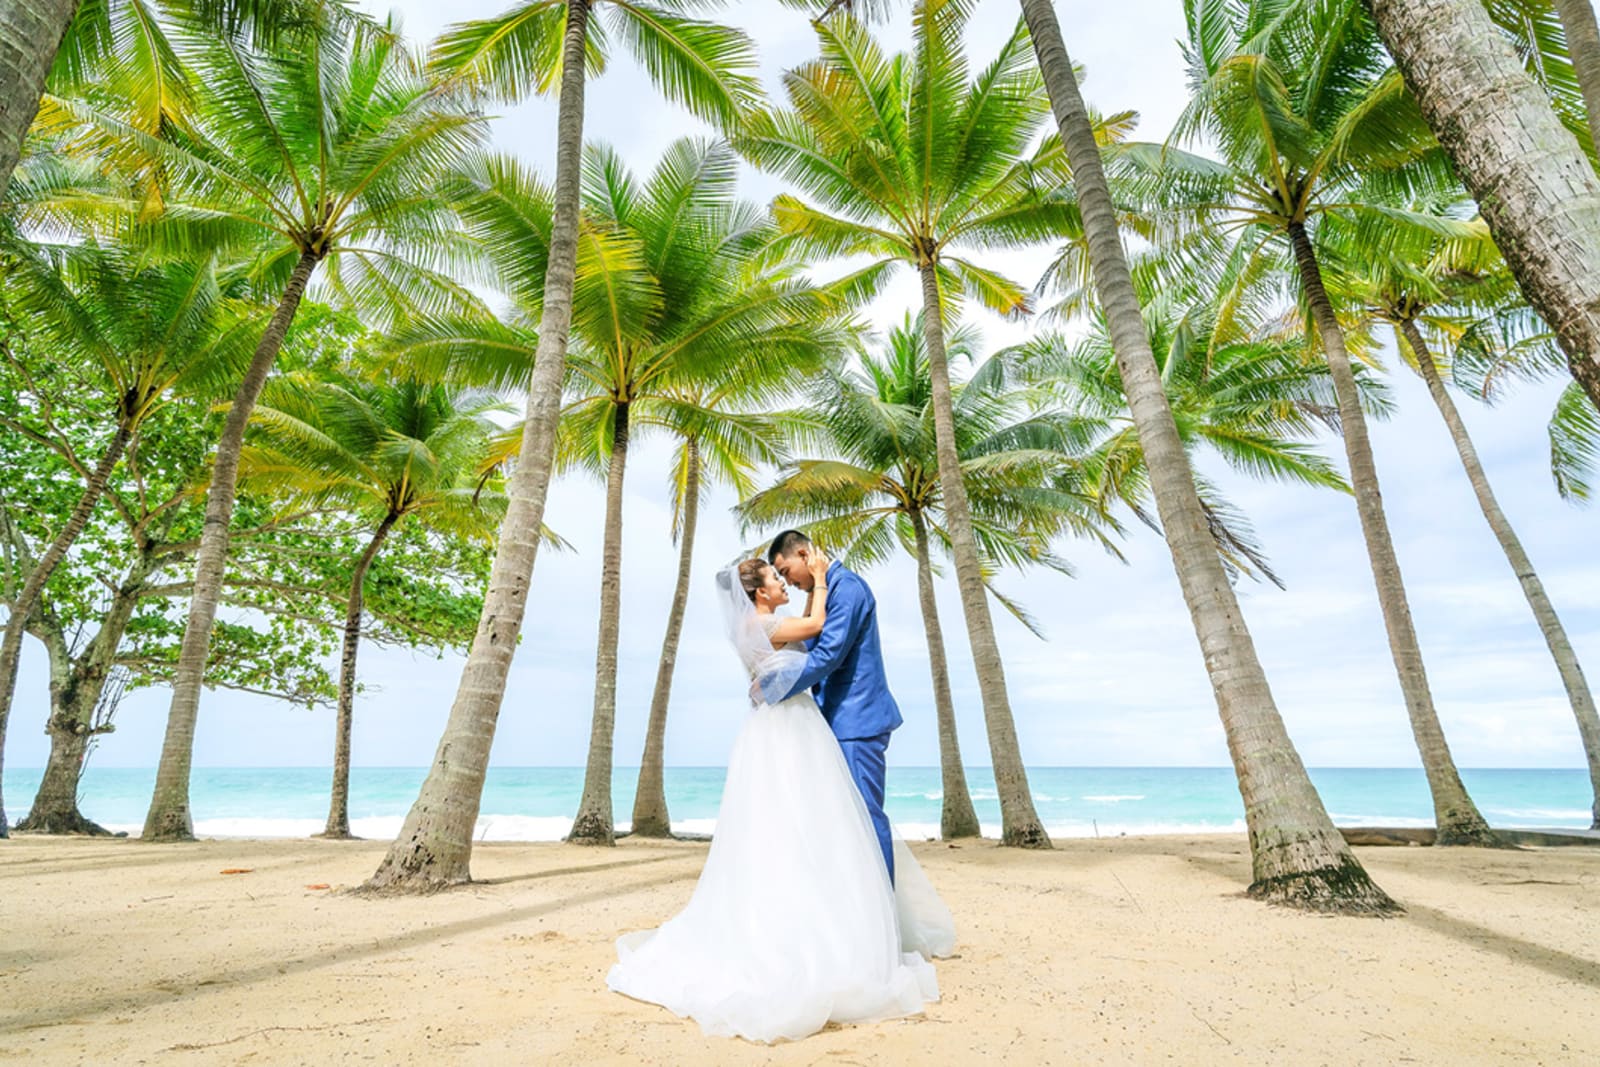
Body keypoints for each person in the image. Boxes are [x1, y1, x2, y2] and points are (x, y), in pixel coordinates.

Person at [606, 550, 954, 1043]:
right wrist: (819, 580)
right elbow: (818, 633)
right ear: (757, 592)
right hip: (790, 726)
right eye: (775, 578)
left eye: (783, 572)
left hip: (789, 724)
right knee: (801, 818)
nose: (783, 583)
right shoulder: (767, 626)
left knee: (801, 821)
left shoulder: (762, 624)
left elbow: (807, 649)